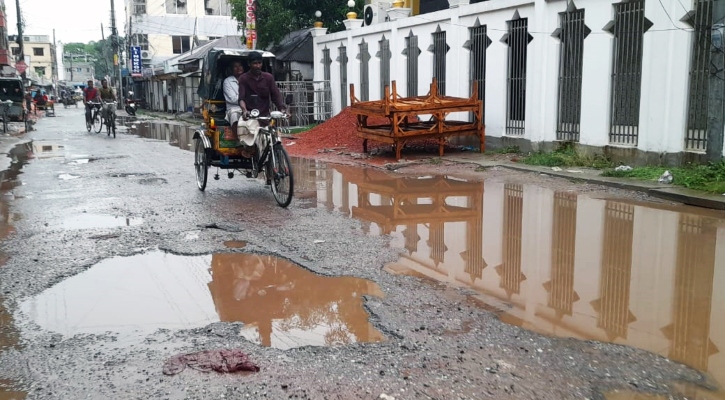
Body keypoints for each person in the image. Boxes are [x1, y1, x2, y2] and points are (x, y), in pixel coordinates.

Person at [237, 51, 286, 157]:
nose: (257, 66)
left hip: (265, 115)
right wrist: (245, 111)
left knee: (274, 137)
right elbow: (241, 98)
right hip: (251, 115)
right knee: (243, 128)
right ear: (249, 64)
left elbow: (275, 95)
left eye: (259, 63)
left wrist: (282, 109)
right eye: (255, 63)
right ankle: (249, 149)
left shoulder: (268, 78)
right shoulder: (243, 78)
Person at [223, 60, 245, 141]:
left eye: (240, 66)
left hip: (249, 106)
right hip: (234, 108)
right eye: (235, 66)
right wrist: (246, 98)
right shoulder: (227, 81)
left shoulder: (248, 79)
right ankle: (238, 140)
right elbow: (232, 99)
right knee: (234, 115)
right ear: (232, 69)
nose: (238, 68)